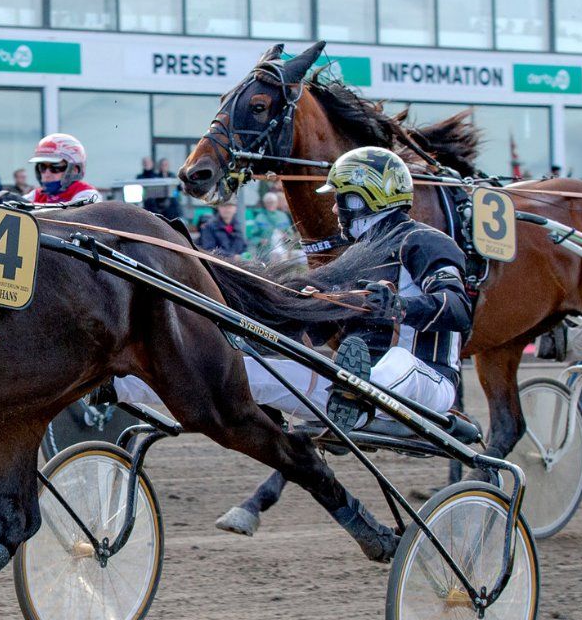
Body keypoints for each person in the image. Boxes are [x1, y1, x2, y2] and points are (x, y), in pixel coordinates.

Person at [114, 146, 473, 431]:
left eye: (341, 197)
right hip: (346, 389)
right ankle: (118, 383)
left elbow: (458, 308)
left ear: (365, 197)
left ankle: (359, 396)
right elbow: (317, 333)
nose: (334, 208)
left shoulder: (425, 241)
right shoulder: (356, 255)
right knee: (242, 372)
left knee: (397, 362)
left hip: (427, 381)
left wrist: (398, 307)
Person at [27, 134, 102, 205]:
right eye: (42, 167)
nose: (47, 174)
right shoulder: (37, 194)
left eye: (55, 167)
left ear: (74, 170)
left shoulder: (87, 194)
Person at [247, 192, 294, 261]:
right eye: (268, 202)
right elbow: (253, 238)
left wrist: (286, 237)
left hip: (283, 248)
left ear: (277, 203)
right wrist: (260, 240)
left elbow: (291, 235)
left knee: (300, 255)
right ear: (265, 204)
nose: (270, 204)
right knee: (276, 256)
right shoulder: (260, 217)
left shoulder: (283, 216)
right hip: (267, 250)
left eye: (273, 202)